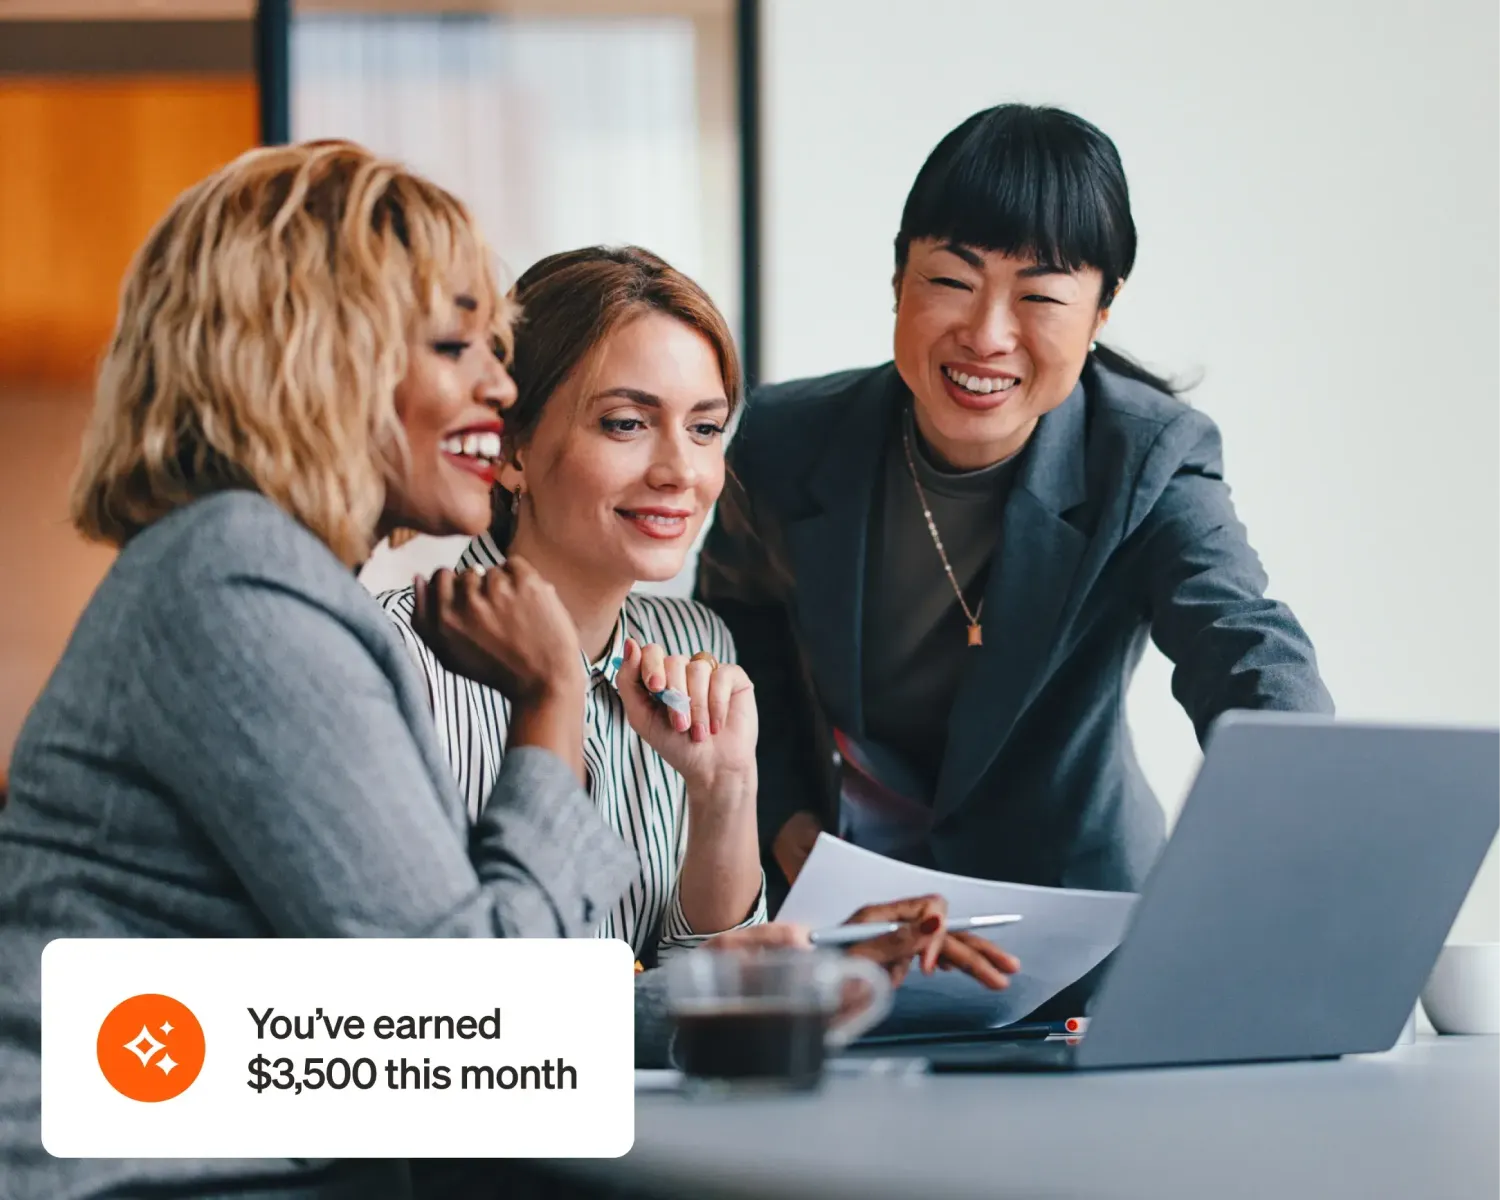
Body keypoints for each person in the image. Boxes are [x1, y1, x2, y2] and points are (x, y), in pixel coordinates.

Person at [699, 104, 1334, 909]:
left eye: (1039, 298)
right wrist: (784, 818)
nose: (988, 334)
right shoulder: (784, 441)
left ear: (1102, 311)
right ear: (898, 280)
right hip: (840, 908)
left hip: (1071, 911)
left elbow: (1241, 642)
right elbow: (733, 632)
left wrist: (1296, 810)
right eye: (952, 281)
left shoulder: (1148, 456)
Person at [382, 246, 767, 965]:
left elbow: (718, 1001)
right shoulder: (393, 655)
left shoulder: (697, 643)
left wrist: (723, 792)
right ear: (512, 450)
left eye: (705, 429)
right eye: (626, 423)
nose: (680, 470)